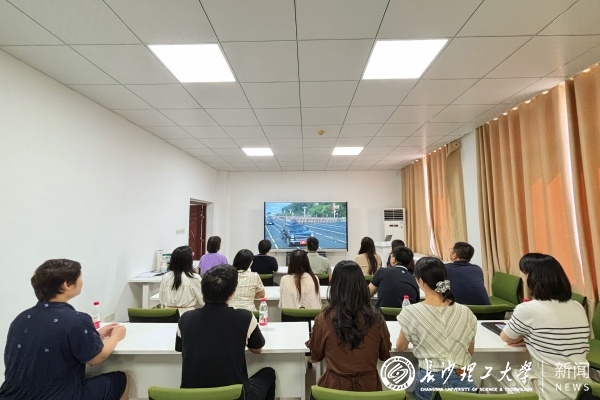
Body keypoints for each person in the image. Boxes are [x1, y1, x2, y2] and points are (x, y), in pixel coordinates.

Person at [0, 259, 129, 400]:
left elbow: (51, 340)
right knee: (122, 379)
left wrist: (96, 335)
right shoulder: (77, 319)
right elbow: (97, 358)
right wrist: (117, 336)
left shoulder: (21, 319)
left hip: (11, 395)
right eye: (80, 276)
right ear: (67, 285)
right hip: (59, 395)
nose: (82, 280)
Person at [178, 264, 276, 400]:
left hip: (192, 396)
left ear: (203, 290)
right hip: (234, 396)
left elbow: (181, 348)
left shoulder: (185, 318)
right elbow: (257, 349)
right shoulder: (245, 317)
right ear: (232, 293)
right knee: (268, 373)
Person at [500, 253, 589, 400]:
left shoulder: (528, 309)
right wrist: (536, 339)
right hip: (581, 387)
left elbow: (506, 338)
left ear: (530, 278)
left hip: (549, 388)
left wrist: (528, 338)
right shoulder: (577, 306)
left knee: (493, 377)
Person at [396, 257, 477, 400]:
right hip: (462, 375)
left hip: (430, 378)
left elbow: (400, 347)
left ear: (420, 281)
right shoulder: (466, 311)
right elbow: (469, 351)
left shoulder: (411, 312)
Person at [307, 261, 391, 391]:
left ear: (334, 286)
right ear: (362, 285)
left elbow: (316, 356)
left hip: (334, 390)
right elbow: (384, 355)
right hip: (369, 390)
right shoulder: (377, 320)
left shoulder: (323, 319)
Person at [159, 245, 204, 314]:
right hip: (188, 314)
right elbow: (203, 301)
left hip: (167, 314)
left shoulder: (165, 277)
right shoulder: (194, 278)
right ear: (189, 261)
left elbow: (162, 299)